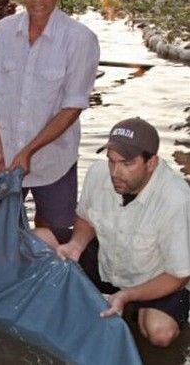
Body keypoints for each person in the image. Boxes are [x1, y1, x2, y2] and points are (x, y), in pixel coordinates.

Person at [35, 118, 190, 347]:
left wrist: (128, 295)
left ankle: (131, 308)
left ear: (152, 163)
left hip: (153, 278)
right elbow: (86, 218)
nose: (116, 172)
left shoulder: (176, 199)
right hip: (107, 261)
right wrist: (76, 244)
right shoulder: (98, 173)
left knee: (160, 333)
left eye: (127, 164)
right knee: (36, 239)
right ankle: (114, 303)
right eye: (111, 161)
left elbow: (179, 274)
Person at [0, 0, 100, 239]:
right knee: (1, 236)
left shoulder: (80, 39)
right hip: (9, 160)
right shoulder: (4, 30)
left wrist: (29, 151)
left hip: (55, 162)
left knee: (56, 238)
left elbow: (72, 108)